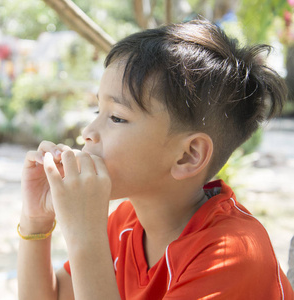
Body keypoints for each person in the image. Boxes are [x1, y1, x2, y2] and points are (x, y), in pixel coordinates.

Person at [17, 19, 294, 299]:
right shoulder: (128, 223)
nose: (88, 133)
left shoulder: (231, 255)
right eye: (96, 111)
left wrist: (86, 237)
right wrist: (36, 221)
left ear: (188, 155)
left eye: (116, 117)